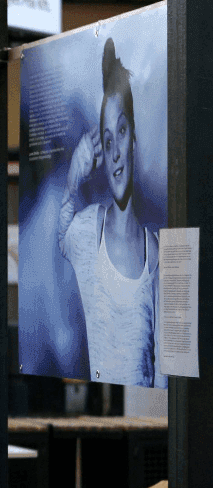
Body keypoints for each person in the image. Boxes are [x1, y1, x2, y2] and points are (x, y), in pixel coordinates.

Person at [58, 38, 166, 388]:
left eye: (121, 132)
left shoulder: (157, 254)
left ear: (134, 140)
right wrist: (74, 178)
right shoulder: (89, 230)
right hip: (100, 410)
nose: (116, 152)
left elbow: (164, 372)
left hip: (148, 426)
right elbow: (62, 238)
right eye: (107, 140)